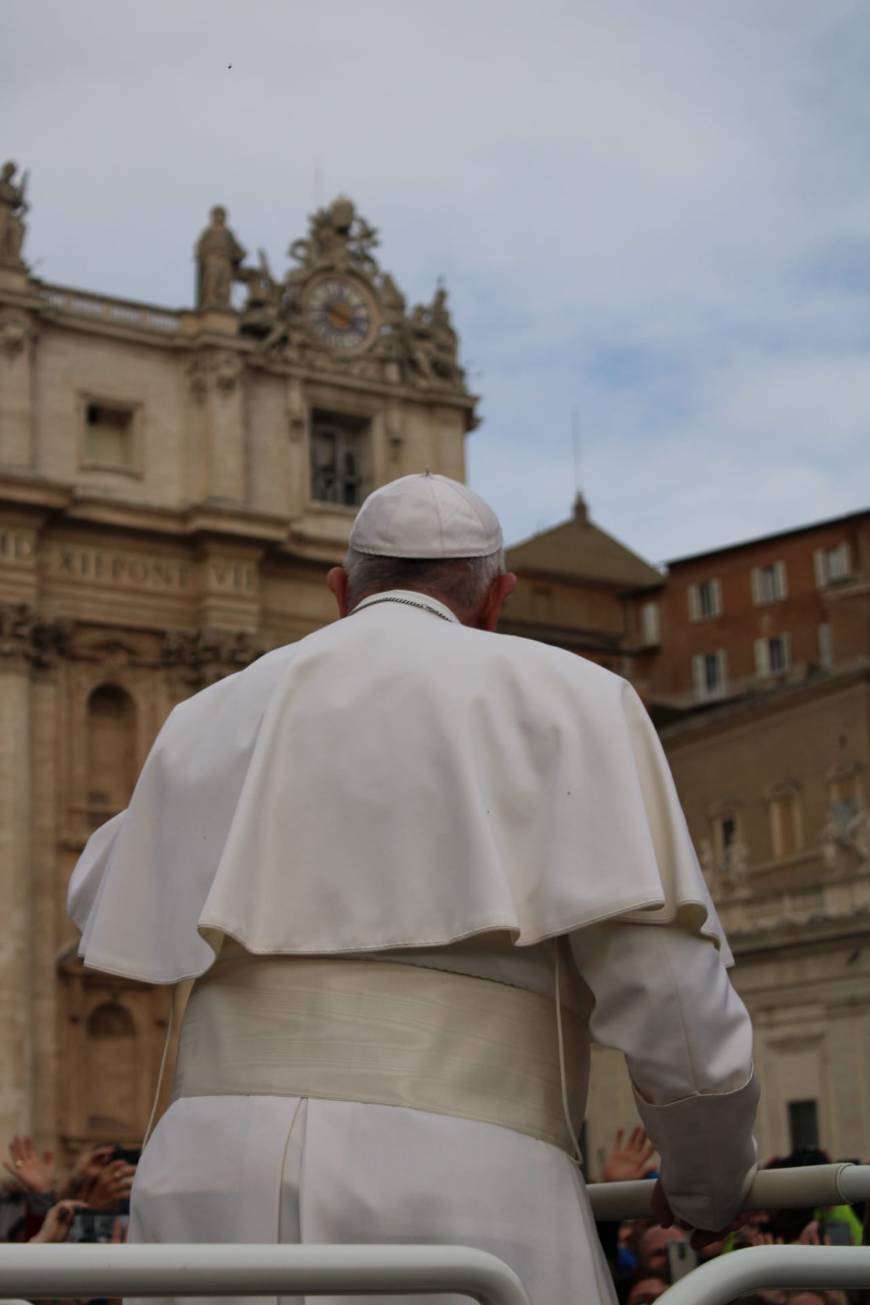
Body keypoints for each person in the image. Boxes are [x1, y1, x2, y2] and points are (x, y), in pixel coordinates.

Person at [69, 472, 759, 1305]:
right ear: (497, 599)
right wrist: (708, 1186)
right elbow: (674, 1005)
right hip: (460, 1195)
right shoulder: (576, 698)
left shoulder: (206, 715)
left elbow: (103, 889)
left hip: (203, 1191)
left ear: (339, 591)